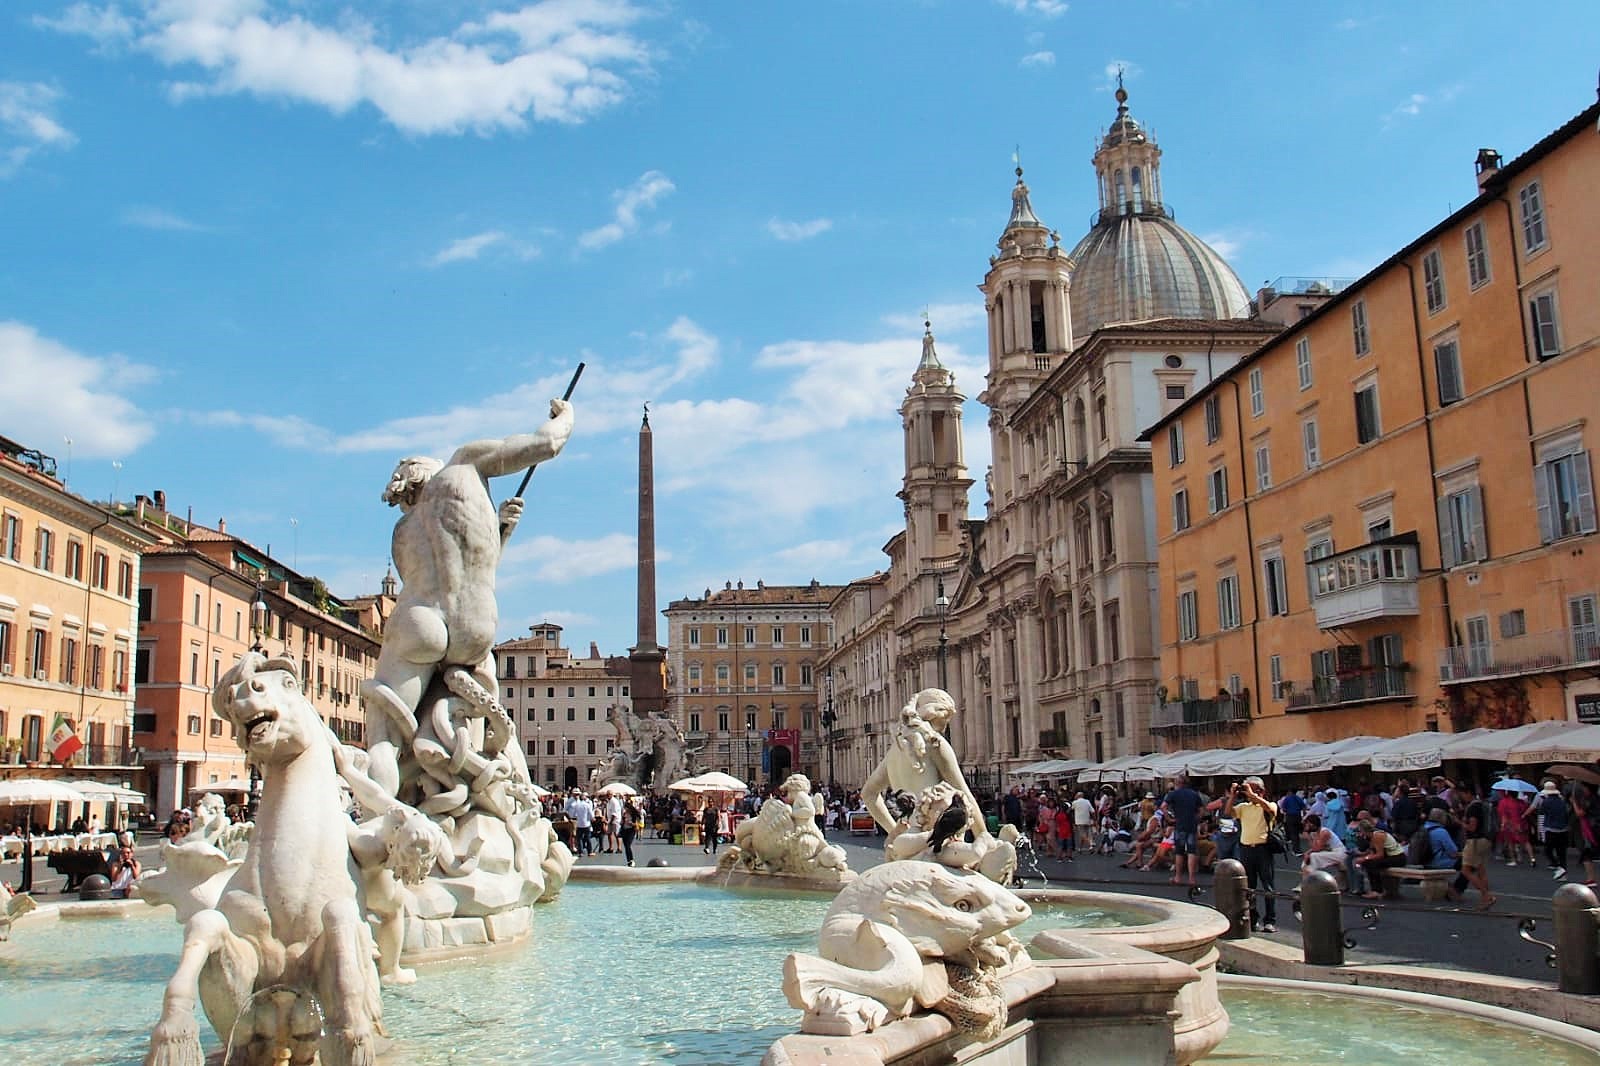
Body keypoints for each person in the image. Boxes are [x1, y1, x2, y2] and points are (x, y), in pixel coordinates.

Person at [360, 398, 575, 797]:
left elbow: (435, 581)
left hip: (420, 621)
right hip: (474, 628)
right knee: (490, 729)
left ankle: (381, 824)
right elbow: (546, 444)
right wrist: (565, 416)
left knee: (384, 742)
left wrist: (499, 530)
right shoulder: (463, 465)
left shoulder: (402, 533)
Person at [1228, 777, 1278, 932]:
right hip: (1246, 849)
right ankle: (1253, 918)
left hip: (1263, 849)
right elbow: (1228, 812)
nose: (1248, 793)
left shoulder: (1269, 805)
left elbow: (1269, 808)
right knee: (1250, 887)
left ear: (1261, 791)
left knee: (1268, 885)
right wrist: (1232, 796)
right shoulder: (1243, 807)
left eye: (1253, 789)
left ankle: (1270, 920)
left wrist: (1252, 794)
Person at [1450, 782, 1496, 908]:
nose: (1461, 797)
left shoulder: (1473, 807)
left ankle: (1486, 895)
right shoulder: (1482, 804)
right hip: (1485, 840)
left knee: (1466, 870)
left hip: (1475, 841)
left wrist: (1459, 822)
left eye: (1462, 794)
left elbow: (1472, 827)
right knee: (1481, 870)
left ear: (1467, 793)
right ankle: (1485, 898)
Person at [1163, 773, 1204, 888]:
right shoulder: (1194, 794)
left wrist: (1169, 818)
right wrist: (1196, 819)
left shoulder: (1173, 794)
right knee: (1192, 851)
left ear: (1177, 784)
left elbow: (1163, 807)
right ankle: (1192, 879)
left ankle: (1178, 877)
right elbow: (1201, 810)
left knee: (1179, 852)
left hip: (1179, 825)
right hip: (1191, 825)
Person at [1354, 814, 1406, 897]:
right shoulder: (1370, 837)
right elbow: (1372, 852)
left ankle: (1377, 890)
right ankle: (1376, 889)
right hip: (1389, 856)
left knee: (1372, 864)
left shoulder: (1377, 836)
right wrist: (1365, 858)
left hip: (1397, 857)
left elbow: (1379, 855)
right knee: (1368, 863)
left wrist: (1365, 858)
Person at [1530, 780, 1571, 880]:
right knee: (1561, 852)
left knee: (1548, 850)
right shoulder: (1562, 801)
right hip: (1563, 828)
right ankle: (1562, 870)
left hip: (1551, 828)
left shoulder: (1546, 802)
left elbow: (1542, 812)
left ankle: (1557, 865)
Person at [1301, 813, 1347, 887]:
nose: (1306, 827)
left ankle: (1307, 883)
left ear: (1312, 824)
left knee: (1313, 856)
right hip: (1331, 852)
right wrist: (1307, 852)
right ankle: (1307, 879)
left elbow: (1317, 849)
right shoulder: (1315, 833)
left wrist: (1308, 839)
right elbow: (1314, 847)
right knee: (1310, 857)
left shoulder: (1324, 832)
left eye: (1307, 824)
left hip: (1339, 853)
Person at [1495, 785, 1534, 866]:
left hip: (1510, 824)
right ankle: (1532, 858)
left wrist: (1503, 825)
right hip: (1522, 823)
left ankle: (1513, 860)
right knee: (1526, 841)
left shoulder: (1504, 802)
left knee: (1510, 842)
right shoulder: (1521, 802)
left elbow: (1503, 815)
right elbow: (1526, 812)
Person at [619, 798, 640, 867]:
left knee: (628, 845)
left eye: (626, 808)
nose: (625, 809)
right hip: (625, 830)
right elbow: (622, 822)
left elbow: (636, 824)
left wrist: (631, 823)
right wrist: (622, 822)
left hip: (631, 830)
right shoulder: (624, 814)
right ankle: (628, 860)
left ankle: (631, 860)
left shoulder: (634, 814)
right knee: (626, 846)